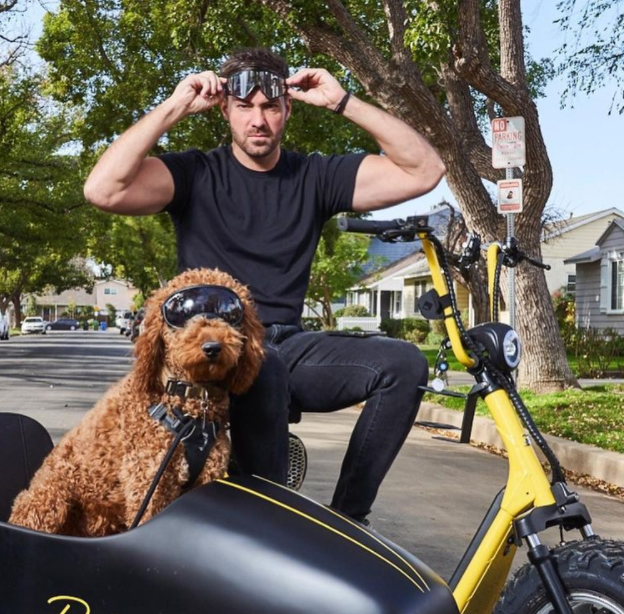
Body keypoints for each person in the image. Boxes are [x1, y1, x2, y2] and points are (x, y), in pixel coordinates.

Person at [84, 48, 444, 525]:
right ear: (225, 110)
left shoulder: (314, 176)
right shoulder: (194, 173)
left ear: (287, 110)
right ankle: (269, 523)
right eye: (246, 107)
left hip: (285, 344)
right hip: (210, 352)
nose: (259, 120)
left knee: (404, 363)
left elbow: (426, 170)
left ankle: (345, 523)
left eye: (270, 107)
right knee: (264, 369)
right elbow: (102, 189)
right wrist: (175, 106)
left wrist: (343, 102)